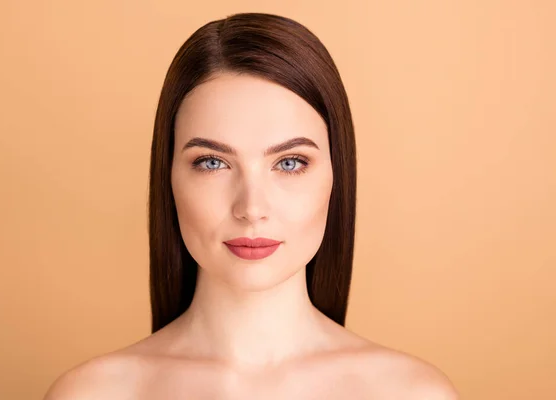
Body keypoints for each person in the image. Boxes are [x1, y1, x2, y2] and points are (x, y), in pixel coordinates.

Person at [44, 12, 459, 399]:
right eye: (212, 163)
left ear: (337, 175)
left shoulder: (411, 393)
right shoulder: (94, 393)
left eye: (290, 162)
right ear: (168, 176)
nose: (251, 207)